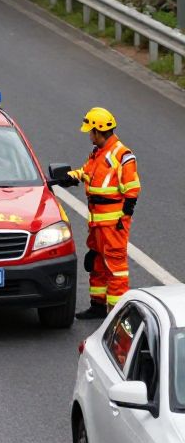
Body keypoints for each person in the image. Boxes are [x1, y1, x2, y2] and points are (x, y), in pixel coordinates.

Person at [63, 107, 141, 319]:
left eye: (90, 131)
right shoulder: (98, 153)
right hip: (97, 222)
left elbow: (132, 190)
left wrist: (123, 219)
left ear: (99, 131)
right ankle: (98, 306)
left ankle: (117, 313)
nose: (89, 135)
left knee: (115, 268)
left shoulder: (122, 155)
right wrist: (69, 176)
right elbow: (86, 172)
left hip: (113, 223)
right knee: (96, 262)